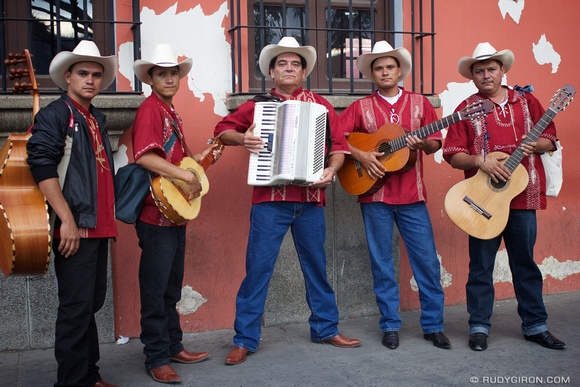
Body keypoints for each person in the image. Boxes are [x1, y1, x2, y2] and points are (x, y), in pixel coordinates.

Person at [214, 36, 361, 365]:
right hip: (270, 201)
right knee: (258, 269)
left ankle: (325, 328)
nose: (289, 68)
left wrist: (331, 170)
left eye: (295, 63)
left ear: (304, 70)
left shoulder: (321, 107)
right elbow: (222, 130)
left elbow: (339, 148)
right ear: (271, 71)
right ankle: (245, 338)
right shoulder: (257, 106)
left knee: (317, 268)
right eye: (282, 63)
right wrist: (244, 137)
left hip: (311, 201)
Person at [442, 42, 566, 351]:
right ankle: (479, 327)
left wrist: (536, 145)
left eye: (491, 69)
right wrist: (479, 161)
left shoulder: (528, 102)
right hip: (482, 201)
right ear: (472, 77)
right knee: (480, 266)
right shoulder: (466, 108)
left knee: (525, 264)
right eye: (479, 71)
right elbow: (453, 154)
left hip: (523, 198)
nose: (486, 75)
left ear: (503, 70)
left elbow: (551, 138)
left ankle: (535, 325)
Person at [339, 41, 450, 350]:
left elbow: (436, 143)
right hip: (374, 198)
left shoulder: (420, 104)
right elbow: (336, 136)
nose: (385, 72)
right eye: (378, 68)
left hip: (413, 197)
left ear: (400, 70)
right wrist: (361, 155)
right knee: (382, 264)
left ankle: (433, 326)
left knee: (427, 262)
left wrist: (422, 145)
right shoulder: (360, 107)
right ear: (372, 74)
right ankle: (389, 325)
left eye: (390, 66)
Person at [26, 40, 119, 387]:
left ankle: (89, 375)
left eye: (96, 74)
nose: (90, 80)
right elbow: (41, 166)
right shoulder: (55, 114)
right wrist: (65, 219)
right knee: (75, 309)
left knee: (88, 304)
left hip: (97, 226)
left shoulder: (95, 117)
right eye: (83, 73)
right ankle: (70, 381)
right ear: (68, 76)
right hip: (75, 226)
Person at [132, 43, 220, 383]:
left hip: (174, 213)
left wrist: (202, 159)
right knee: (155, 290)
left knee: (170, 288)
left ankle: (172, 345)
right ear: (150, 78)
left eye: (173, 73)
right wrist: (186, 175)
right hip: (155, 215)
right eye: (161, 74)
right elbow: (145, 157)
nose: (169, 78)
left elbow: (176, 164)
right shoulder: (150, 110)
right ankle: (156, 357)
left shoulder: (171, 112)